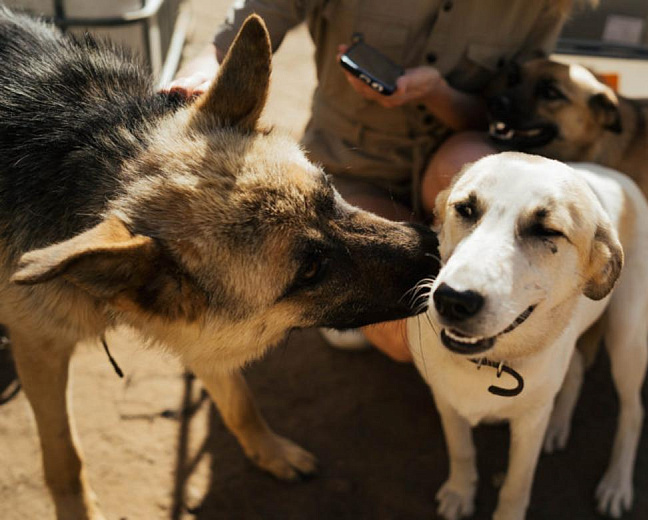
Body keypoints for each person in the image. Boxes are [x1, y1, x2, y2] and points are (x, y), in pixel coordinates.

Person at [168, 0, 577, 361]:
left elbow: (500, 118)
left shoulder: (543, 5)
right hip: (353, 172)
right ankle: (367, 293)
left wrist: (436, 93)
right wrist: (205, 67)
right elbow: (262, 13)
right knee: (408, 340)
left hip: (448, 166)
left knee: (469, 160)